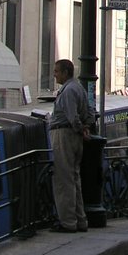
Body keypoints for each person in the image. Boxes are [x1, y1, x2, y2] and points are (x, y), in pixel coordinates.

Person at [49, 59, 93, 233]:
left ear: (66, 72)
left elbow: (71, 115)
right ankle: (80, 220)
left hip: (64, 135)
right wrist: (85, 127)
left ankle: (67, 222)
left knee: (64, 180)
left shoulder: (68, 91)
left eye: (57, 71)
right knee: (75, 179)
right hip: (74, 137)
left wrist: (80, 128)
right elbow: (89, 112)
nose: (54, 74)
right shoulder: (79, 88)